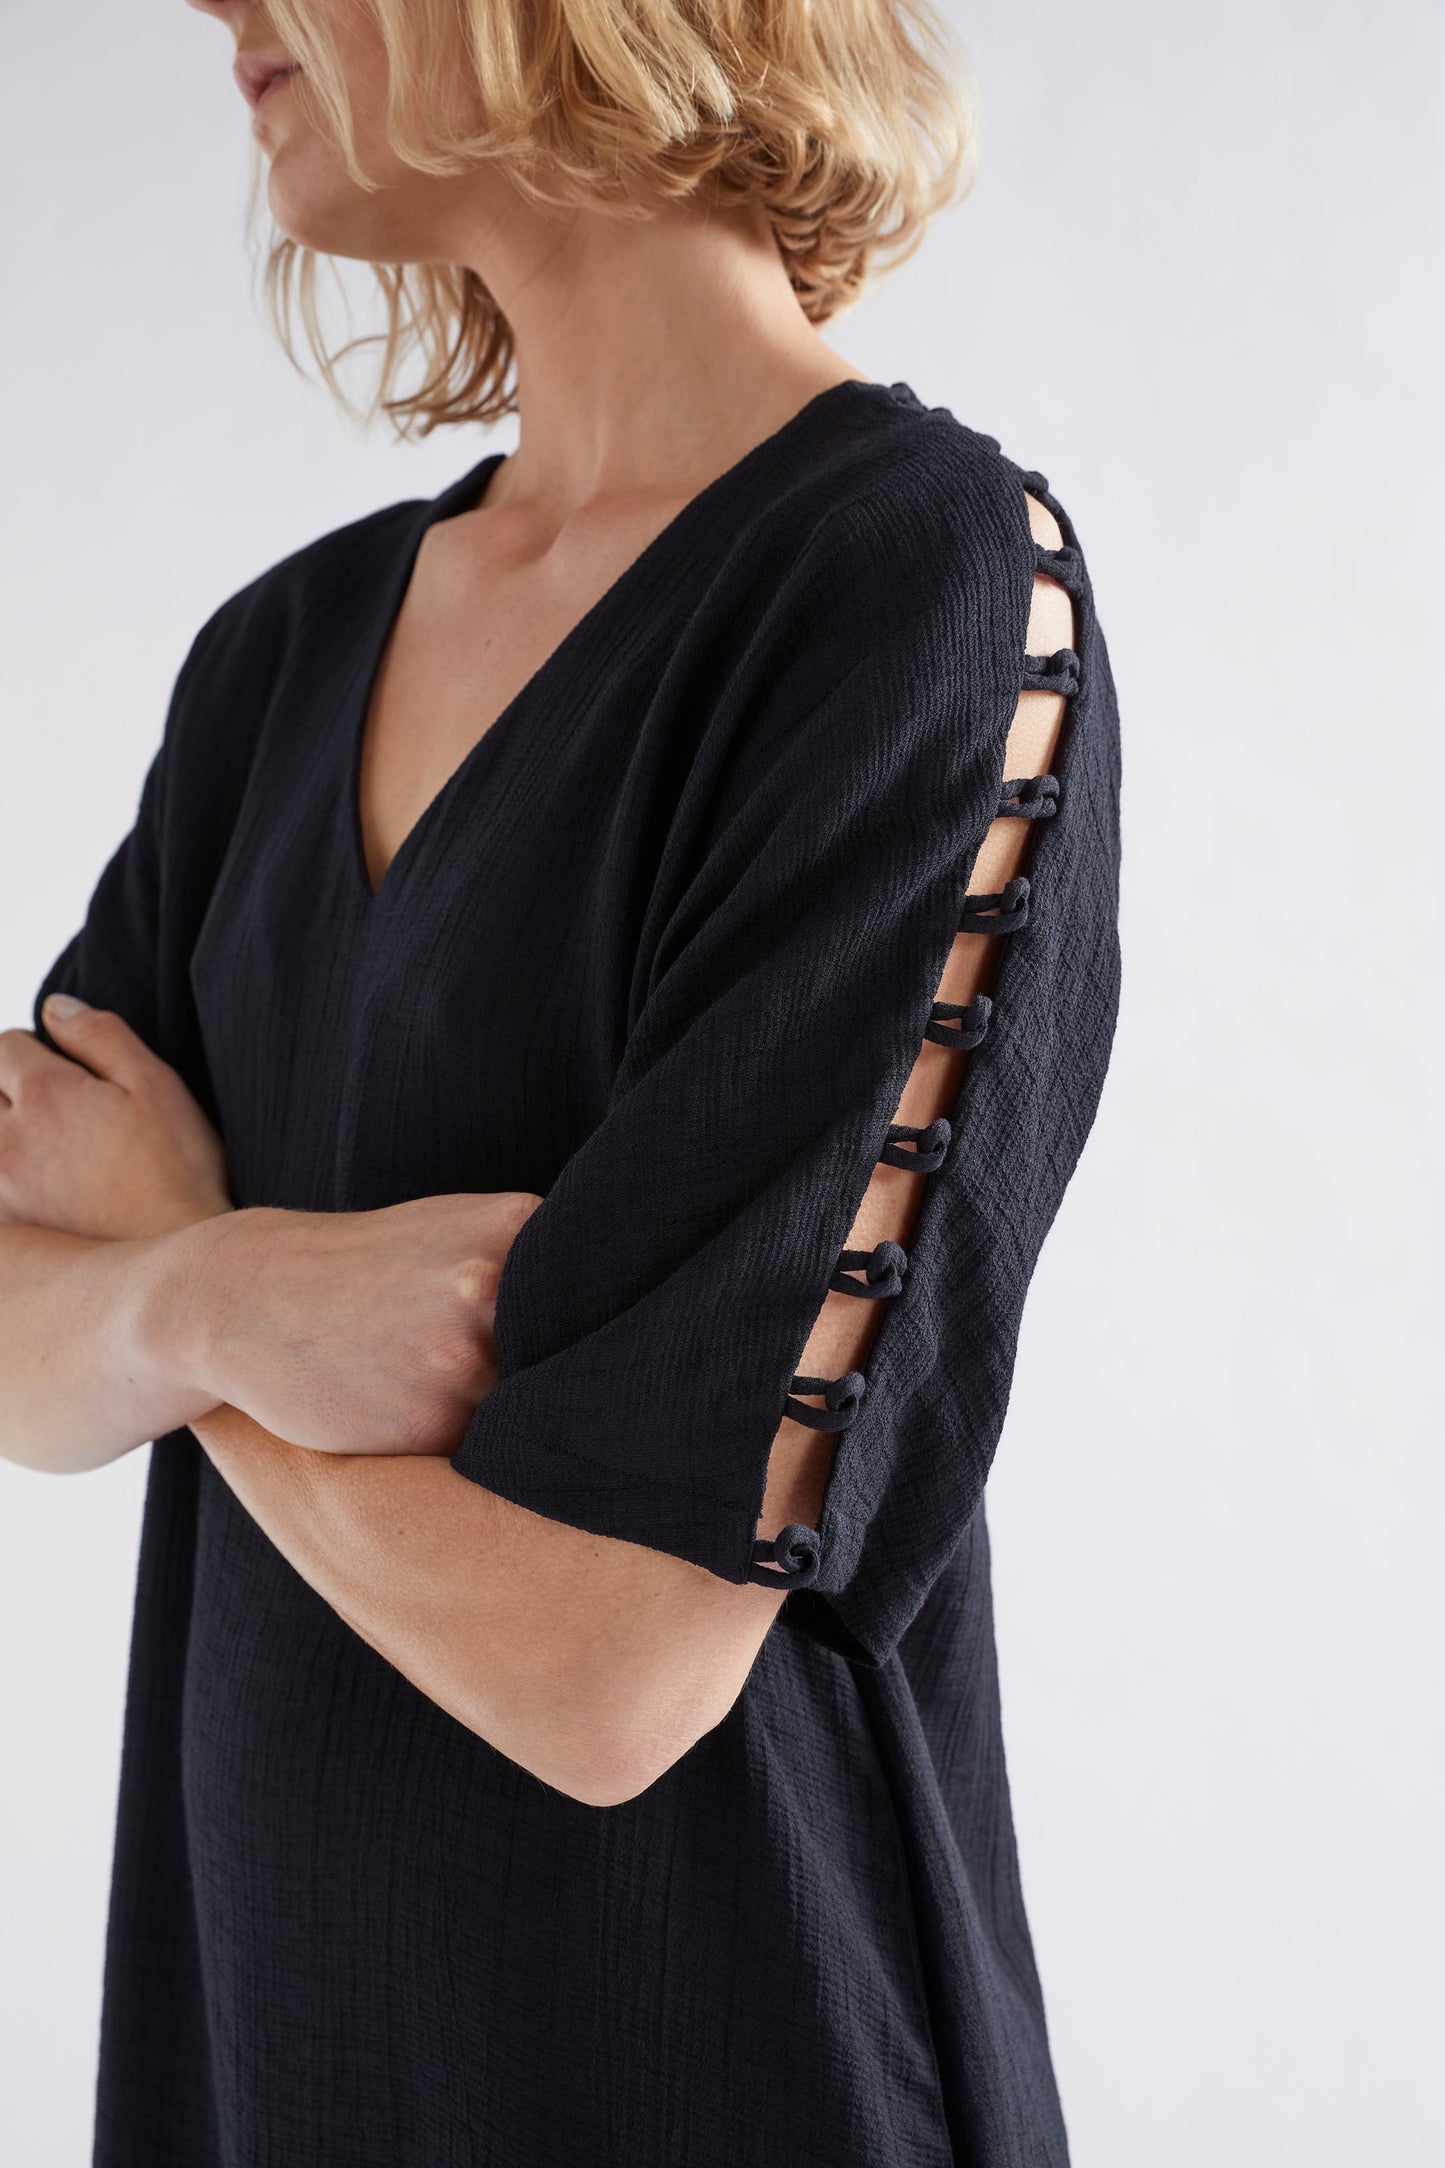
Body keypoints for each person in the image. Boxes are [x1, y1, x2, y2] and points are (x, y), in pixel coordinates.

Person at [0, 2, 1121, 2161]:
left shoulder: (908, 586)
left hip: (714, 2065)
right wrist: (205, 1295)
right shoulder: (281, 655)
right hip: (263, 2063)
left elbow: (610, 1671)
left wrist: (170, 1294)